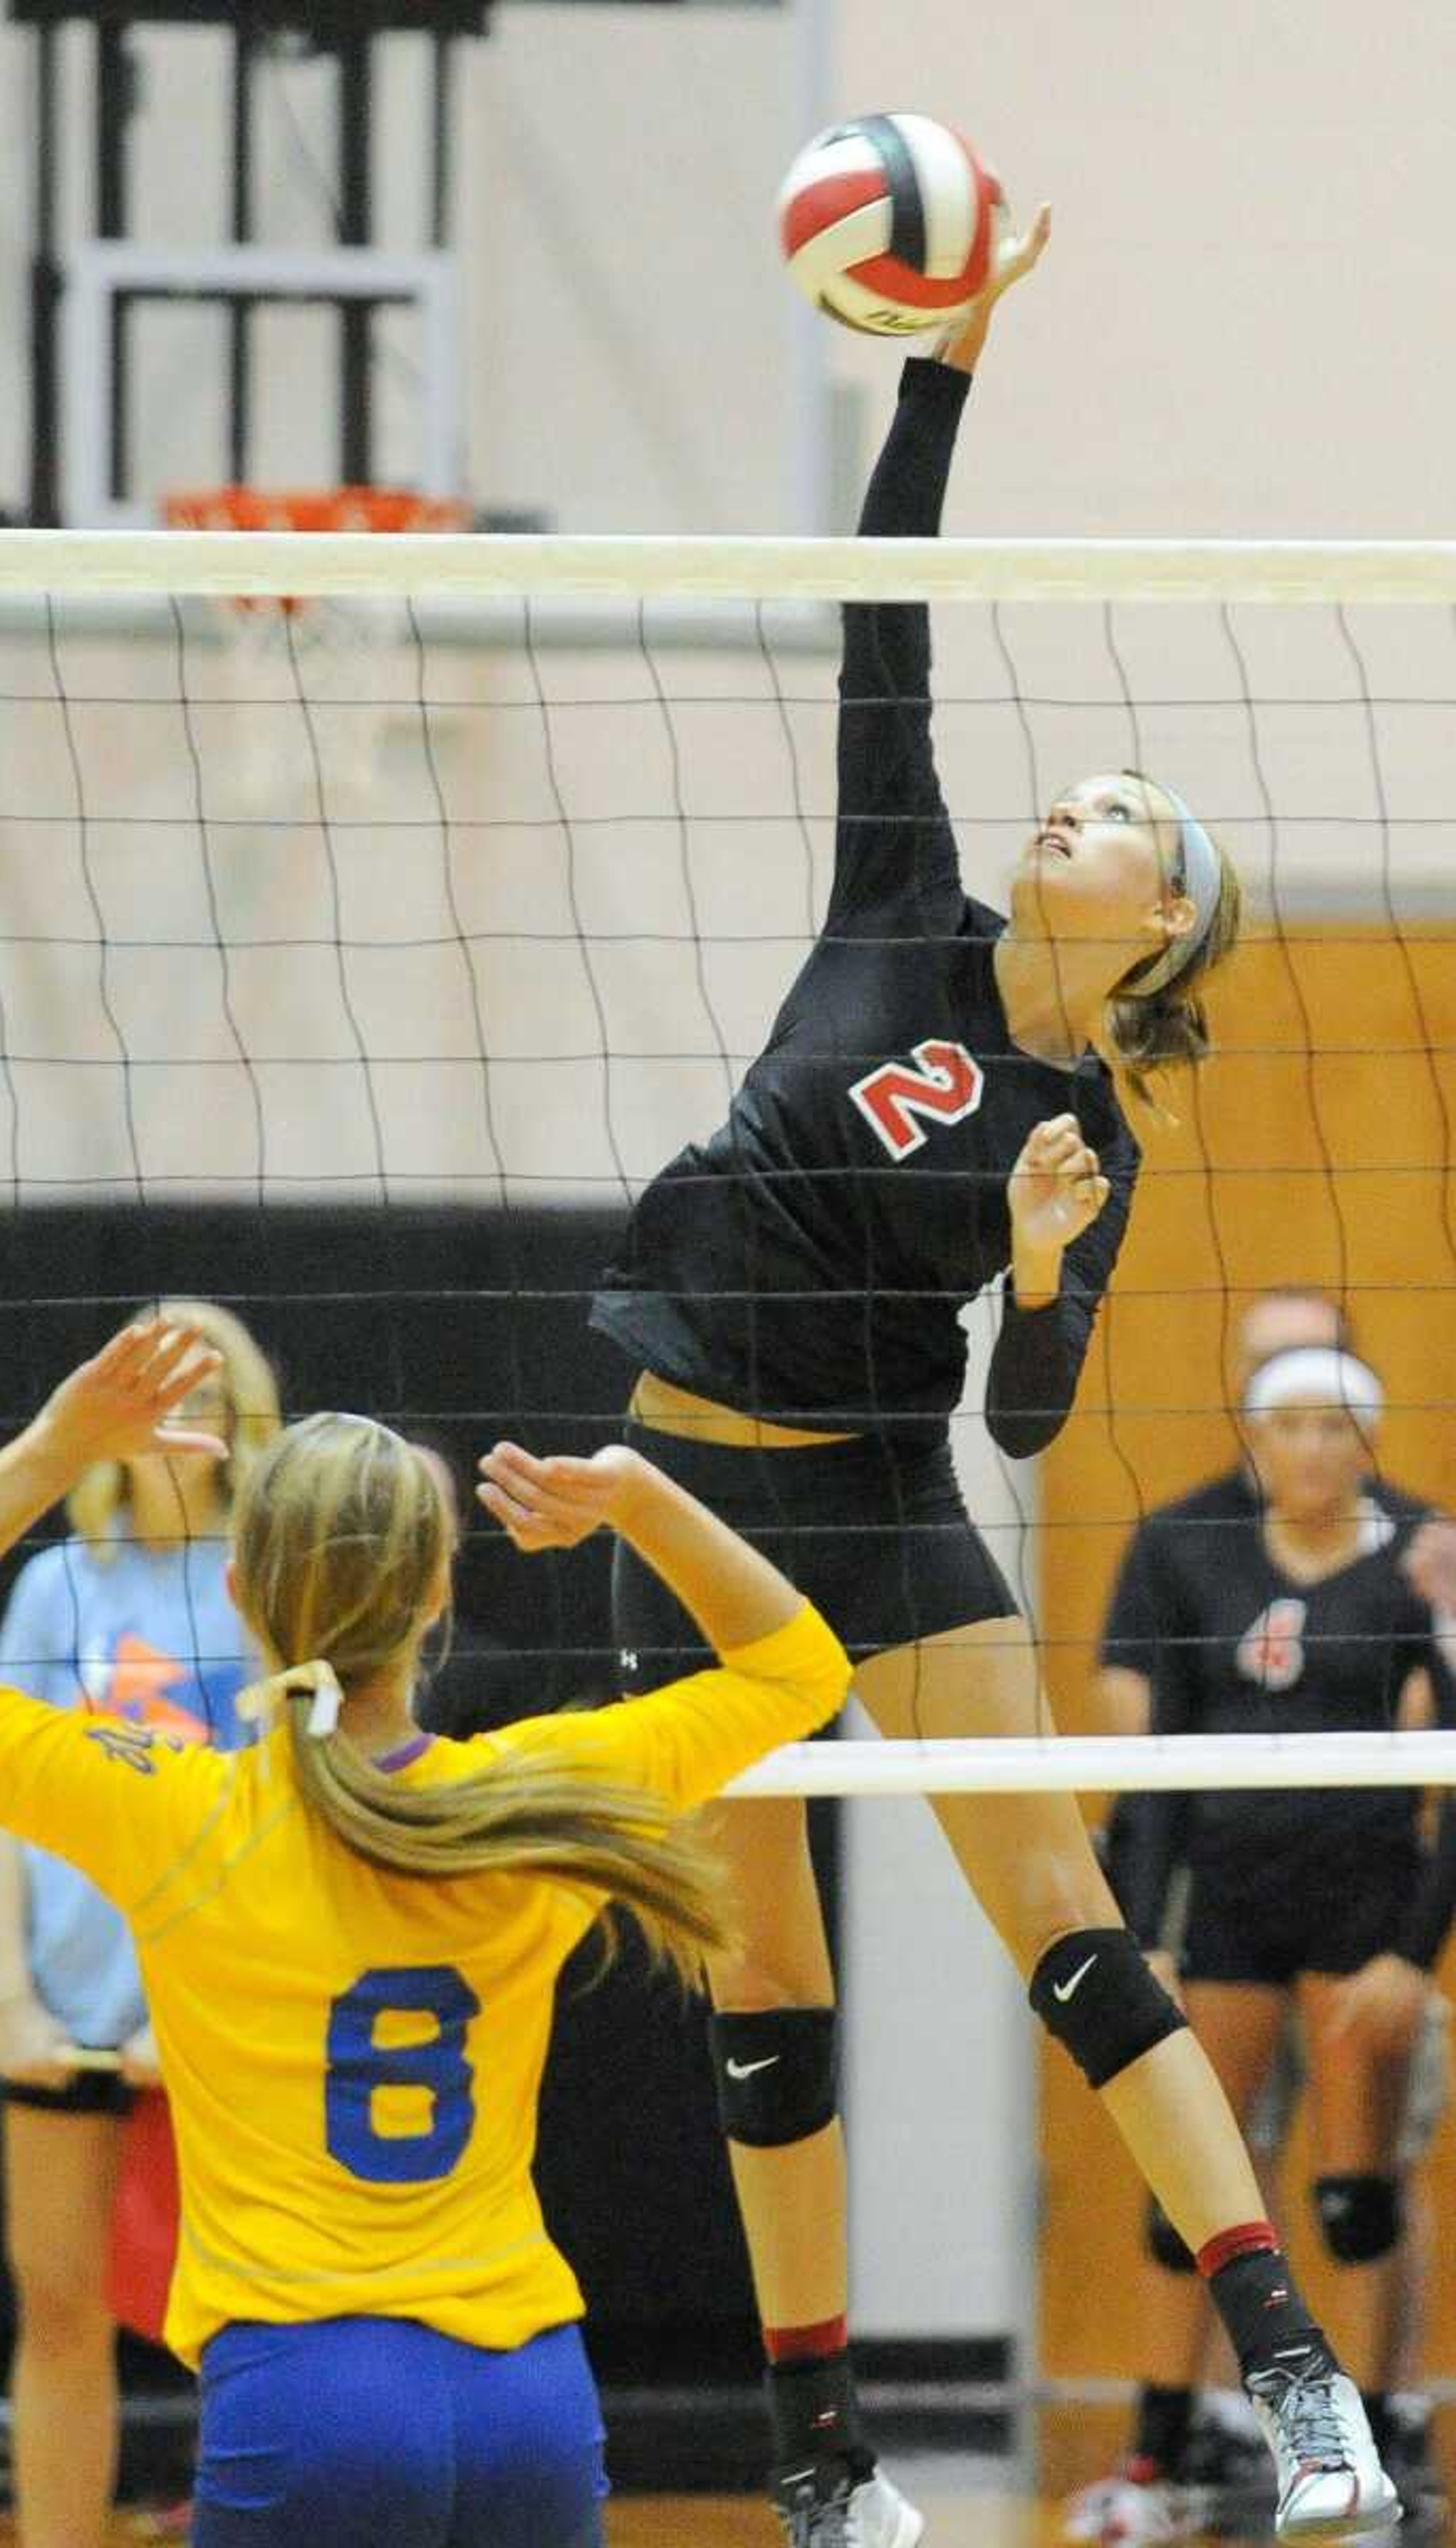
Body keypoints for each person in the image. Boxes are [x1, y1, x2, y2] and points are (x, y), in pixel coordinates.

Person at [588, 209, 1396, 2548]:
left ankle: (1298, 2380)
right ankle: (827, 2458)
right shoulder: (897, 899)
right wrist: (938, 376)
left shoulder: (1095, 1131)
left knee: (1073, 1932)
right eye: (1089, 791)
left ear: (1165, 926)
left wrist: (1043, 1278)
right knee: (773, 1986)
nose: (1084, 807)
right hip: (692, 1499)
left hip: (881, 1497)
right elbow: (886, 619)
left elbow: (1028, 1430)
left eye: (1131, 818)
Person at [0, 1315, 862, 2548]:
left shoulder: (173, 1810)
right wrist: (641, 1498)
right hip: (533, 2396)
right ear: (438, 1592)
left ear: (241, 1593)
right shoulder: (542, 1792)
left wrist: (54, 1448)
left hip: (307, 2397)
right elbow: (800, 1669)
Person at [1066, 1341, 1456, 2544]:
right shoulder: (1195, 1554)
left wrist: (1414, 1952)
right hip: (1225, 1900)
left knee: (1353, 2201)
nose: (1314, 1447)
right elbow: (1157, 1772)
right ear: (1255, 1442)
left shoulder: (1419, 1567)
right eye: (1290, 1426)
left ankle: (1375, 2442)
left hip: (1360, 1904)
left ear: (1367, 1447)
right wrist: (1148, 1938)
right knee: (1190, 2187)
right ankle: (1158, 2451)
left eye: (1338, 1427)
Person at [0, 1298, 280, 2548]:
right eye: (161, 1397)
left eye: (208, 1397)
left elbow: (284, 1810)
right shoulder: (59, 1587)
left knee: (253, 2321)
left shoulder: (273, 1579)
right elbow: (6, 1812)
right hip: (68, 2010)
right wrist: (10, 1997)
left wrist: (193, 2003)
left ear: (245, 1420)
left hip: (227, 2011)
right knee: (59, 2310)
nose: (183, 1423)